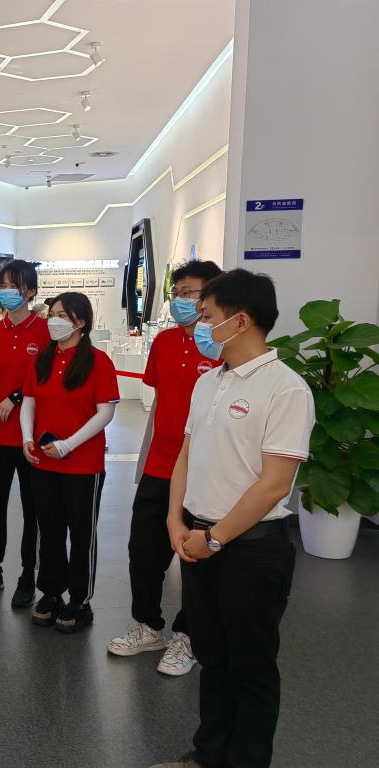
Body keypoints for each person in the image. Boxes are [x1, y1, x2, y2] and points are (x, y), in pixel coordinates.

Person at [152, 270, 312, 768]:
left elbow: (274, 484)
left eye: (207, 316)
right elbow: (186, 455)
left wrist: (216, 539)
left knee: (251, 668)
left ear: (240, 321)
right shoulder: (209, 381)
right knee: (213, 659)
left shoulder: (285, 389)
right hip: (199, 540)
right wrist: (175, 520)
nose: (199, 324)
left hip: (251, 550)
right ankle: (207, 755)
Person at [107, 260, 222, 675]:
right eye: (177, 293)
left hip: (207, 471)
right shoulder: (165, 342)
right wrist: (143, 460)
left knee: (196, 556)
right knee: (143, 549)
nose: (181, 301)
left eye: (190, 293)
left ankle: (188, 635)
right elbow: (158, 405)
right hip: (161, 464)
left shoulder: (223, 346)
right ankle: (148, 625)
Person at [22, 292, 119, 633]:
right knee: (48, 531)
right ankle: (50, 592)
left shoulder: (98, 362)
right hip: (43, 462)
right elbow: (29, 401)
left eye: (62, 315)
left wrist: (68, 445)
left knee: (81, 533)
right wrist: (26, 437)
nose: (53, 320)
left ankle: (80, 599)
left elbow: (105, 412)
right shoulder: (43, 359)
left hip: (82, 465)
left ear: (80, 322)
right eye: (52, 314)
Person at [0, 260, 51, 607]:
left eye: (14, 286)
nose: (7, 292)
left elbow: (49, 379)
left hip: (32, 439)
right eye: (3, 285)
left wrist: (16, 396)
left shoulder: (46, 332)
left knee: (34, 510)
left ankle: (28, 574)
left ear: (30, 291)